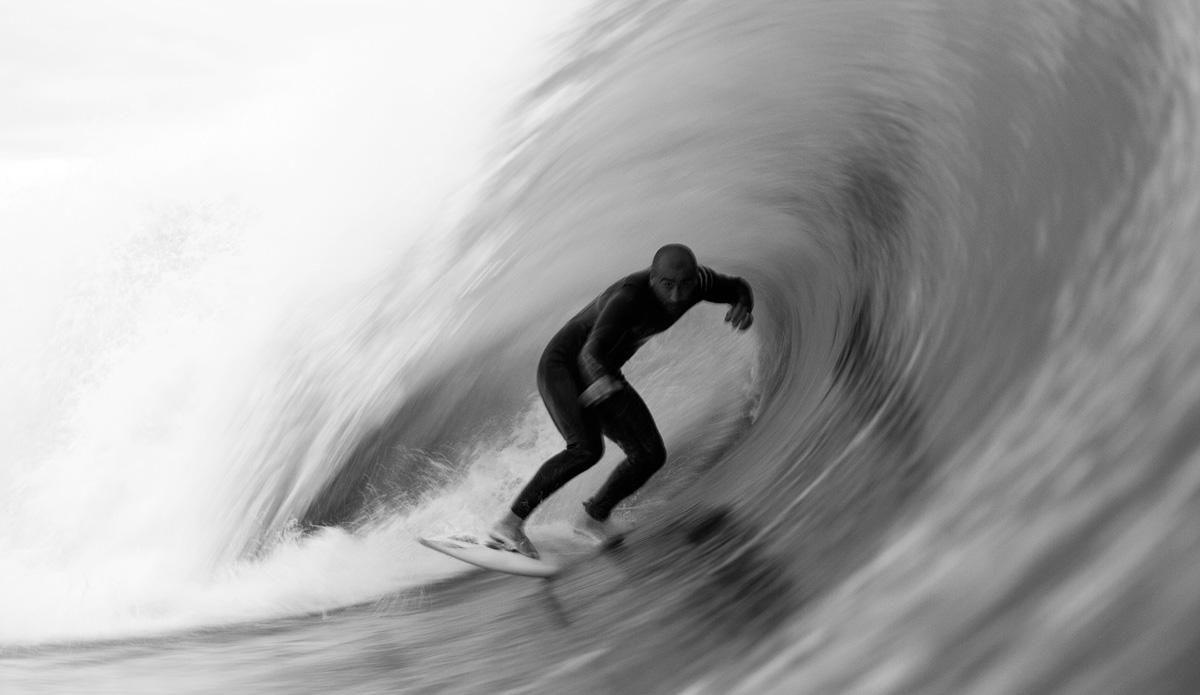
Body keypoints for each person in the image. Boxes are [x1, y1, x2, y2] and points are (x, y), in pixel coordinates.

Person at [489, 243, 754, 557]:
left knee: (650, 455)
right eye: (667, 285)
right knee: (585, 449)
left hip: (604, 371)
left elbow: (737, 287)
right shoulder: (628, 298)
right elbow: (590, 351)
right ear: (653, 279)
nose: (676, 296)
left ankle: (593, 518)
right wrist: (601, 379)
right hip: (564, 366)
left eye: (685, 285)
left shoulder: (700, 283)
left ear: (695, 278)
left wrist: (743, 304)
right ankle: (508, 525)